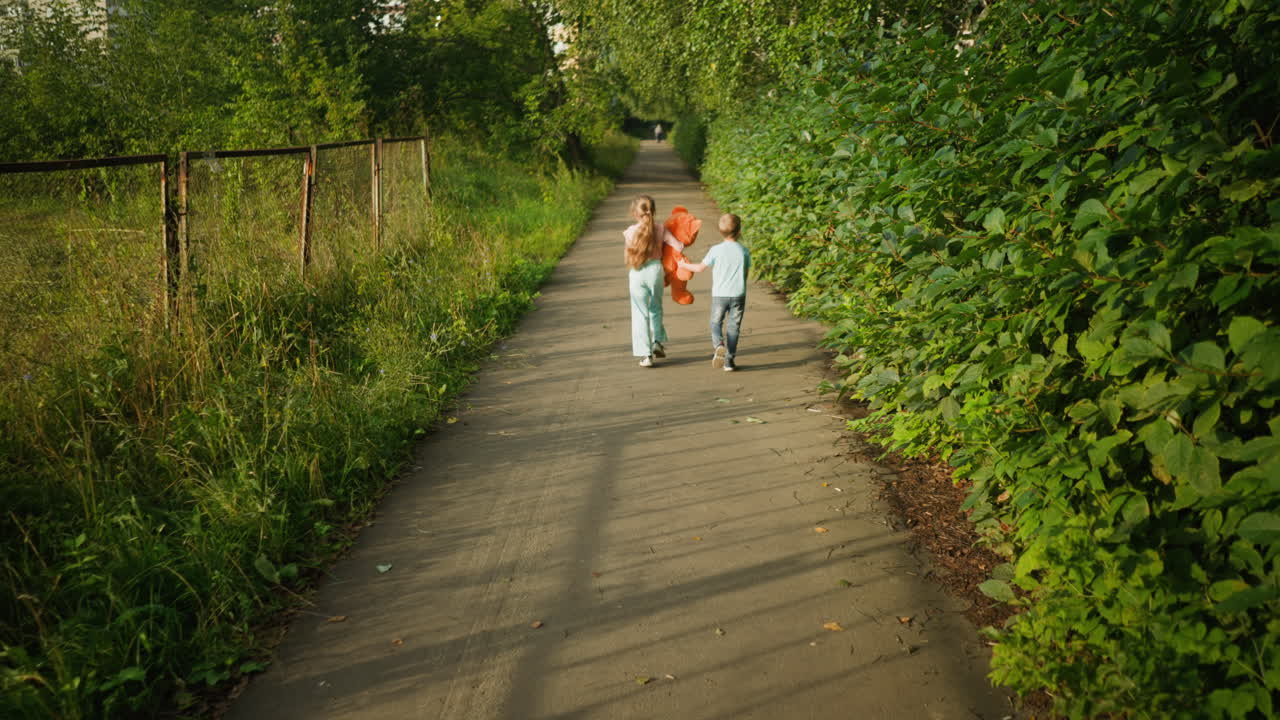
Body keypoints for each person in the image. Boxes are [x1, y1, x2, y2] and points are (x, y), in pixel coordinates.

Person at [678, 213, 751, 371]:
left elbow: (699, 268)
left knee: (715, 323)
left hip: (720, 295)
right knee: (734, 327)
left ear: (720, 231)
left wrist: (683, 265)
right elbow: (745, 273)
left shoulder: (716, 250)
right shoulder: (744, 251)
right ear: (739, 231)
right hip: (738, 294)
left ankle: (719, 345)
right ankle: (729, 362)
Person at [624, 194, 677, 367]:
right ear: (653, 211)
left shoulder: (630, 232)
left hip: (637, 272)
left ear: (634, 213)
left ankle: (646, 355)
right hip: (656, 271)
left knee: (640, 313)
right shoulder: (661, 229)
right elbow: (679, 246)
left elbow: (627, 256)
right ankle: (657, 342)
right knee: (656, 307)